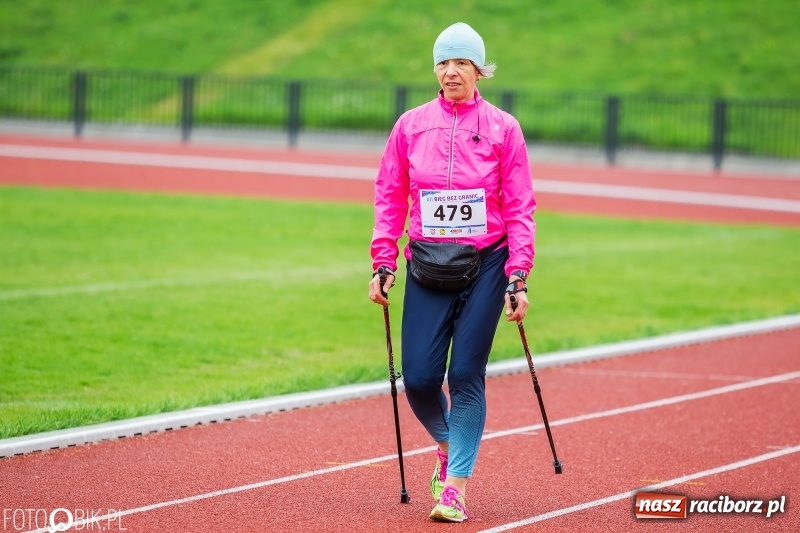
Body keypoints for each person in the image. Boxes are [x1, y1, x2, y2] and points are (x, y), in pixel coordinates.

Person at [368, 21, 536, 523]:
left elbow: (521, 205)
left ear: (479, 70)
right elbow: (390, 196)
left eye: (462, 62)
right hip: (426, 262)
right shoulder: (410, 125)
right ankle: (448, 442)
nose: (451, 71)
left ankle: (455, 487)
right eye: (444, 62)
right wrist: (383, 260)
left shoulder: (503, 128)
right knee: (418, 377)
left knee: (464, 374)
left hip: (485, 263)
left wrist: (518, 274)